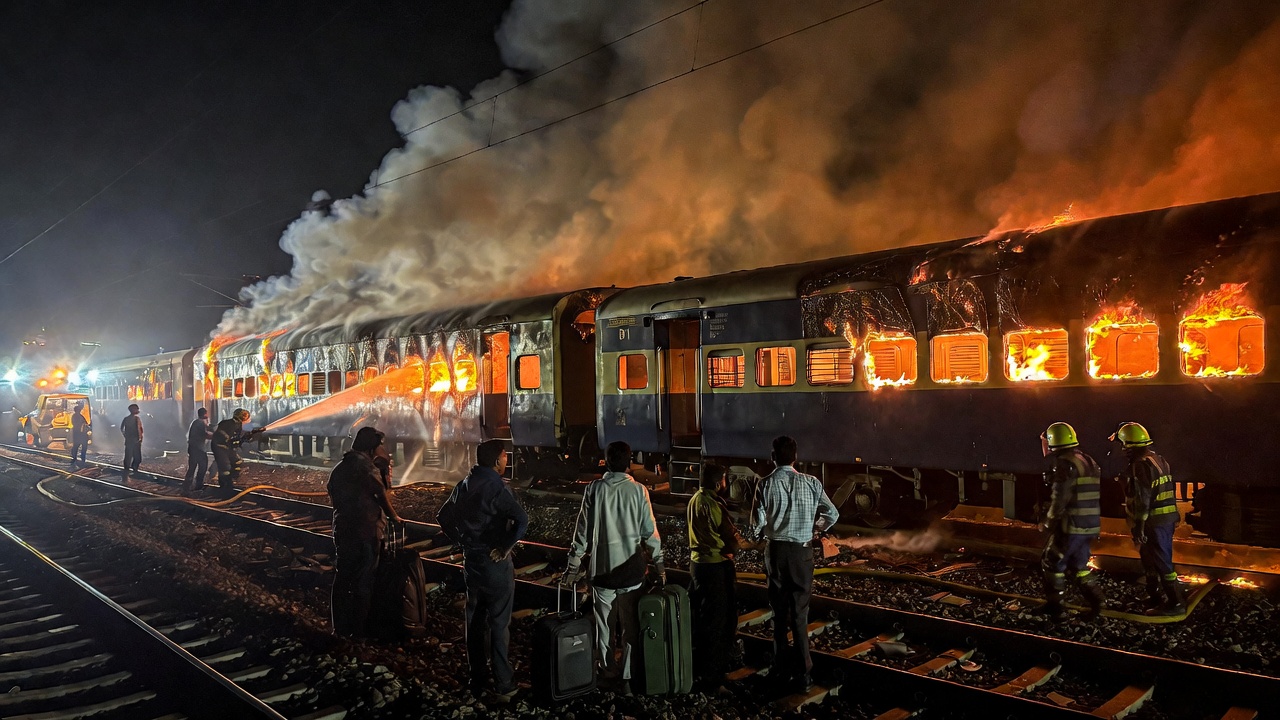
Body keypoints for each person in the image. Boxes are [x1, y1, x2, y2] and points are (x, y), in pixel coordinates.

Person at [563, 441, 664, 693]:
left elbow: (582, 533)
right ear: (629, 462)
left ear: (605, 461)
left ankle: (607, 670)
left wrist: (573, 566)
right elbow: (649, 532)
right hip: (632, 572)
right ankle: (627, 676)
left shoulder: (594, 490)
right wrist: (659, 564)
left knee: (604, 626)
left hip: (602, 573)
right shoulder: (639, 491)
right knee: (631, 627)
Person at [437, 440, 528, 701]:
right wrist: (505, 547)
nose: (506, 461)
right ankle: (504, 685)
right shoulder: (496, 487)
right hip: (494, 563)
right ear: (498, 460)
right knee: (499, 622)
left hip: (472, 561)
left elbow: (443, 517)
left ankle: (476, 677)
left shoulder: (465, 483)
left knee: (475, 620)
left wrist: (461, 541)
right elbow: (522, 519)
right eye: (504, 457)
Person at [747, 436, 839, 693]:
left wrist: (756, 536)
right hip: (802, 553)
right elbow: (832, 513)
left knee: (778, 614)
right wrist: (816, 530)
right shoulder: (811, 483)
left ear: (772, 456)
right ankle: (803, 675)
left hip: (776, 552)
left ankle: (780, 668)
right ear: (795, 456)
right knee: (800, 614)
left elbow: (756, 523)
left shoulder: (764, 484)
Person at [328, 426, 401, 638]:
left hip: (343, 529)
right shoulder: (366, 467)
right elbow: (381, 492)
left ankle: (339, 628)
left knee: (343, 577)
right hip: (366, 530)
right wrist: (394, 516)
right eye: (380, 445)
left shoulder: (340, 468)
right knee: (363, 580)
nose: (383, 449)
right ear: (372, 447)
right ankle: (359, 632)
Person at [1112, 422, 1185, 615]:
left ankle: (1176, 604)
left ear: (1128, 444)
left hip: (1154, 521)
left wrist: (1139, 526)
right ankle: (1155, 598)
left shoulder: (1139, 465)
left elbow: (1143, 499)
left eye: (1122, 444)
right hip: (1164, 518)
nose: (1121, 448)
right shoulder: (1157, 459)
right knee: (1150, 560)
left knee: (1161, 562)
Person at [1039, 422, 1106, 620]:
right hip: (1089, 523)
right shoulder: (1088, 460)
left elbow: (1060, 497)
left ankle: (1055, 608)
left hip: (1071, 524)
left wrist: (1049, 521)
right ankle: (1099, 604)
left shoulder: (1064, 463)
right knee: (1080, 567)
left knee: (1052, 563)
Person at [688, 463, 745, 688]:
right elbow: (730, 537)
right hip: (716, 567)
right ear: (716, 482)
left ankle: (701, 666)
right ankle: (713, 675)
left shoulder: (694, 500)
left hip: (697, 566)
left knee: (703, 618)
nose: (725, 483)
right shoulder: (714, 504)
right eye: (722, 479)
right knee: (720, 621)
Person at [211, 408, 263, 496]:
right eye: (247, 418)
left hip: (226, 447)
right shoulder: (233, 425)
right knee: (225, 467)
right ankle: (225, 488)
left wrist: (253, 433)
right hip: (220, 448)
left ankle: (231, 480)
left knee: (237, 461)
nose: (249, 420)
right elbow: (234, 439)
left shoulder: (235, 424)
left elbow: (239, 439)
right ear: (243, 418)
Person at [183, 408, 214, 494]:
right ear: (205, 414)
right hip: (198, 449)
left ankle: (186, 486)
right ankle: (198, 486)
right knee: (203, 467)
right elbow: (205, 435)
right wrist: (215, 436)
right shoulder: (200, 423)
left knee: (192, 467)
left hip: (193, 448)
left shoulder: (195, 422)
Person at [120, 404, 143, 480]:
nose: (137, 410)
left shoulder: (137, 419)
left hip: (136, 441)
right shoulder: (128, 419)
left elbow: (140, 429)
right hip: (131, 441)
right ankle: (128, 469)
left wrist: (140, 437)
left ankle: (132, 467)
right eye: (136, 409)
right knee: (130, 456)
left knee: (136, 457)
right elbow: (122, 429)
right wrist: (126, 436)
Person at [69, 401, 90, 467]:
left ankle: (82, 458)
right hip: (78, 433)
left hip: (82, 434)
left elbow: (86, 423)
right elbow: (76, 424)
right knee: (76, 446)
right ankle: (74, 457)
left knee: (83, 446)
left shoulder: (80, 416)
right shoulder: (75, 416)